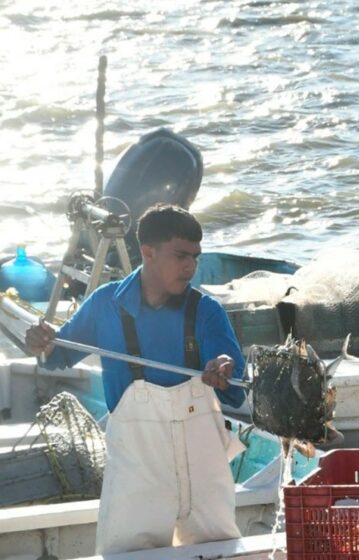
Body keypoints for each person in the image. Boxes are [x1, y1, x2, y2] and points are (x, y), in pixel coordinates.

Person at [25, 205, 247, 554]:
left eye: (195, 257)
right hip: (137, 467)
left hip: (203, 462)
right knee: (126, 554)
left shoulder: (207, 310)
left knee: (220, 550)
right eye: (180, 256)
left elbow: (235, 389)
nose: (190, 266)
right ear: (148, 252)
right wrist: (39, 343)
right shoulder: (104, 305)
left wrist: (225, 370)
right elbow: (57, 356)